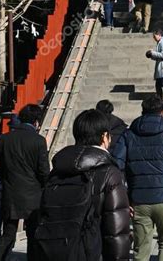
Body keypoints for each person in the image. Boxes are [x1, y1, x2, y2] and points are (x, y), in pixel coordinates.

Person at [35, 109, 131, 261]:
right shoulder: (109, 173)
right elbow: (116, 232)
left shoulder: (57, 170)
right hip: (91, 252)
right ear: (104, 136)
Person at [113, 95, 163, 261]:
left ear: (142, 111)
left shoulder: (129, 135)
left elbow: (116, 166)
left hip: (139, 200)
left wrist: (125, 197)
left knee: (141, 250)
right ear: (162, 112)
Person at [0, 104, 49, 261]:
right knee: (32, 234)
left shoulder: (4, 139)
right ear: (37, 122)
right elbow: (44, 172)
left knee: (8, 233)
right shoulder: (39, 141)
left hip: (10, 193)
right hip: (33, 196)